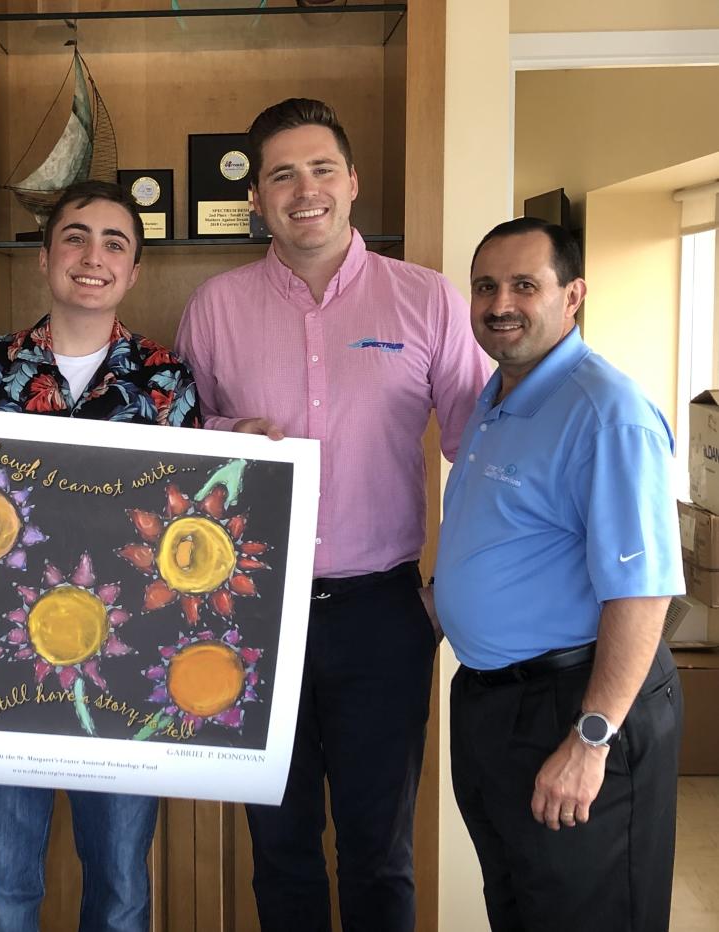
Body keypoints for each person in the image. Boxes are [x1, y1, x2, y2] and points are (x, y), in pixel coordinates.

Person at [174, 97, 489, 931]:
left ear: (352, 182)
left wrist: (444, 597)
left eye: (320, 169)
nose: (302, 189)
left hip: (382, 615)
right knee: (279, 849)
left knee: (379, 853)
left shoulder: (427, 300)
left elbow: (483, 458)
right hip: (247, 615)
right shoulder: (214, 307)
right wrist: (222, 434)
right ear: (256, 197)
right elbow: (176, 464)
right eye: (281, 174)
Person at [0, 179, 201, 932]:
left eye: (115, 243)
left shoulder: (166, 380)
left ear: (135, 270)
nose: (94, 256)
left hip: (124, 662)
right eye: (76, 238)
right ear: (47, 256)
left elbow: (179, 529)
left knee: (120, 889)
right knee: (2, 891)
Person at [433, 217, 684, 932]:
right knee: (524, 906)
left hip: (578, 703)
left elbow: (643, 593)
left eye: (524, 285)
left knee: (590, 914)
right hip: (495, 705)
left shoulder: (607, 413)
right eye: (486, 286)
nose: (500, 303)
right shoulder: (499, 394)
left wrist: (591, 738)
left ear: (572, 295)